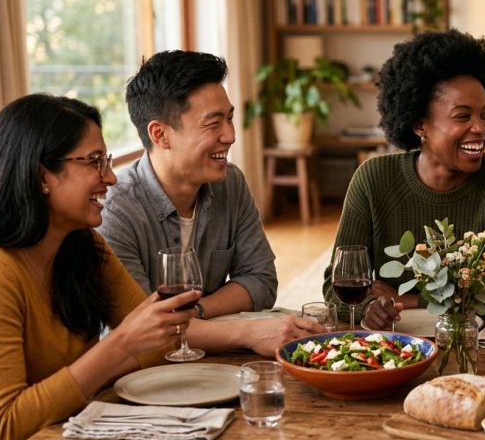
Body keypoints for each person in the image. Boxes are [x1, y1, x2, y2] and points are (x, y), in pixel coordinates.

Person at [0, 95, 198, 440]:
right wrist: (117, 346)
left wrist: (134, 341)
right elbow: (4, 431)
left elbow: (154, 346)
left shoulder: (82, 248)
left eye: (107, 160)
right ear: (42, 174)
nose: (110, 178)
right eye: (93, 162)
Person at [98, 50, 322, 356]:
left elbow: (261, 281)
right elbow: (142, 330)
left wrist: (196, 312)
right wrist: (247, 331)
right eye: (212, 124)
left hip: (215, 359)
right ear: (160, 134)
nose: (230, 136)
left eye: (229, 118)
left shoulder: (230, 183)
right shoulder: (115, 211)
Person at [326, 29, 485, 328]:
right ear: (419, 125)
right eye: (463, 116)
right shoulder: (373, 179)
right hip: (395, 344)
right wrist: (372, 307)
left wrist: (411, 301)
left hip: (478, 347)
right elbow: (337, 287)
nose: (480, 128)